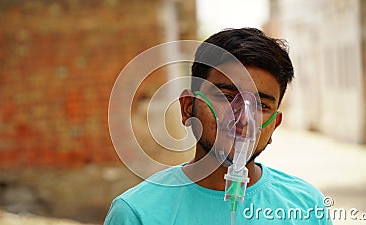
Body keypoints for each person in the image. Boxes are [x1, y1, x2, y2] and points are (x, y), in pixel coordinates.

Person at [104, 28, 332, 225]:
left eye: (261, 104)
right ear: (188, 108)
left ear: (274, 126)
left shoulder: (306, 208)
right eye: (225, 96)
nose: (243, 118)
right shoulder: (137, 214)